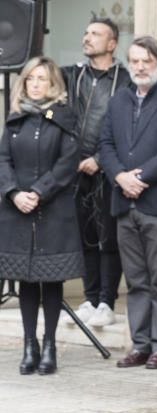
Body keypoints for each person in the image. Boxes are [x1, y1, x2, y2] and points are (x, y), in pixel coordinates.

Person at [98, 36, 157, 370]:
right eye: (135, 61)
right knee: (136, 281)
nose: (140, 67)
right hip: (124, 203)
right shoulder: (119, 100)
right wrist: (120, 177)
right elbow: (105, 144)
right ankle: (140, 343)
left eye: (147, 61)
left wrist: (141, 176)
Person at [0, 58, 82, 375]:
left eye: (42, 79)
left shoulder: (63, 118)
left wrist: (37, 191)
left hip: (52, 209)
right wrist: (13, 193)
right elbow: (3, 160)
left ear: (53, 85)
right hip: (16, 210)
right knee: (26, 280)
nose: (35, 84)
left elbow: (67, 161)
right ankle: (29, 344)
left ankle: (49, 345)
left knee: (50, 279)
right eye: (31, 78)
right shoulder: (15, 120)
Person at [61, 18, 125, 328]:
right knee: (84, 237)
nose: (87, 38)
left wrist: (100, 158)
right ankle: (89, 297)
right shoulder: (73, 76)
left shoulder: (124, 80)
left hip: (108, 170)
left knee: (107, 238)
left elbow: (128, 128)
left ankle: (107, 301)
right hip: (75, 169)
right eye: (86, 32)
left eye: (95, 34)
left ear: (112, 44)